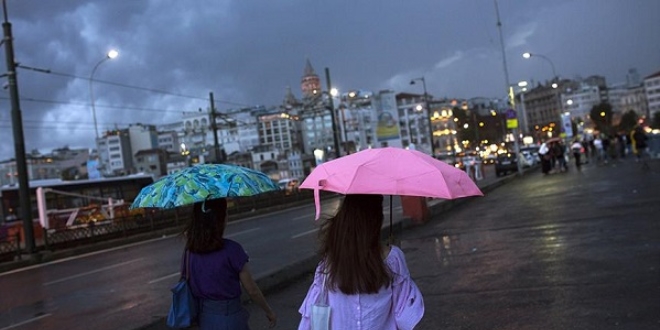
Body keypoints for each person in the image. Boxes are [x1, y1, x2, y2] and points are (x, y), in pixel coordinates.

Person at [298, 194, 424, 329]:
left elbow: (309, 318)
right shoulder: (392, 259)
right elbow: (405, 316)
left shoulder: (330, 262)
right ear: (376, 220)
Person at [182, 198, 277, 329]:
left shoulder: (189, 251)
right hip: (230, 319)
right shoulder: (232, 250)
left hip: (204, 319)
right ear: (221, 219)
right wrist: (269, 311)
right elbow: (252, 289)